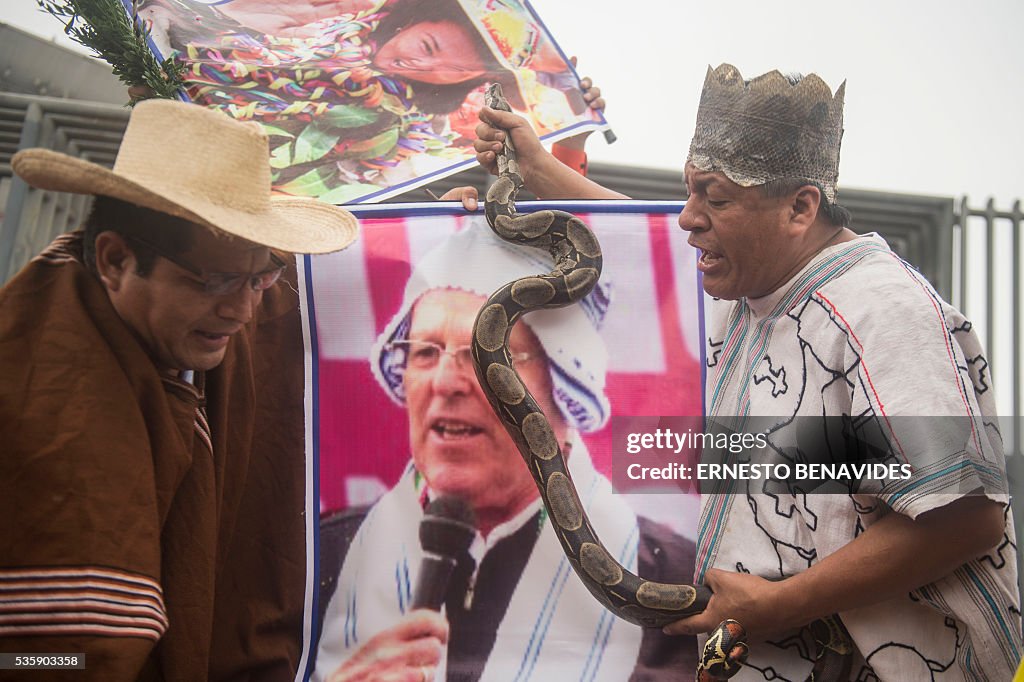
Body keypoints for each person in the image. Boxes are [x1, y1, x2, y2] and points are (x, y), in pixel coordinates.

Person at [464, 63, 1022, 679]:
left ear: (800, 208)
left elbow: (968, 515)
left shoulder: (884, 311)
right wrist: (530, 173)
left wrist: (783, 604)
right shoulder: (755, 296)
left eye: (716, 198)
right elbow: (649, 235)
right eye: (689, 191)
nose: (686, 217)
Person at [0, 99, 357, 680]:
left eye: (261, 277)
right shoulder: (49, 394)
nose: (242, 310)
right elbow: (53, 655)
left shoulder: (185, 312)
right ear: (115, 259)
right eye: (214, 281)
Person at [313, 224, 698, 681]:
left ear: (562, 385)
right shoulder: (323, 554)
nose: (445, 383)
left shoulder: (674, 578)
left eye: (483, 355)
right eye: (424, 352)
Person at [137, 0, 599, 197]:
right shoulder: (320, 20)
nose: (424, 69)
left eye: (454, 72)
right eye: (428, 48)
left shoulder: (422, 141)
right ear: (408, 22)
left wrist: (572, 137)